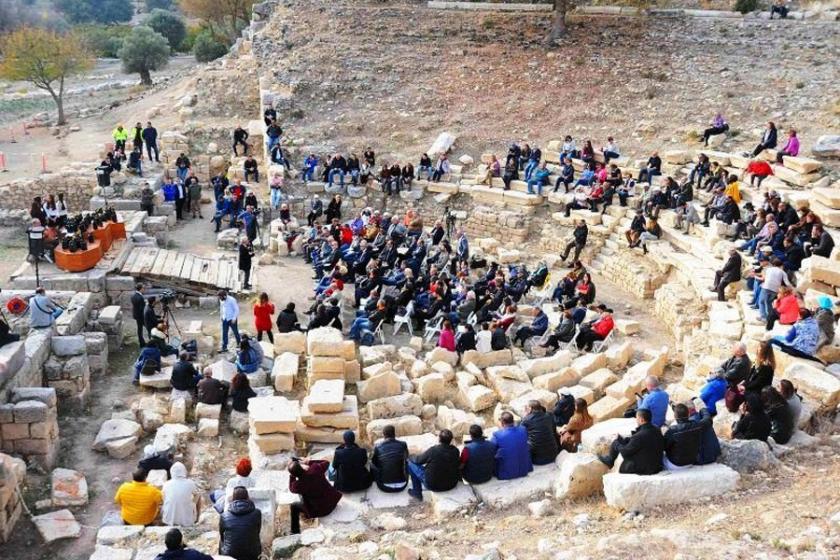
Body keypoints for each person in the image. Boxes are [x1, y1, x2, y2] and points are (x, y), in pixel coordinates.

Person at [598, 408, 664, 475]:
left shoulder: (639, 436)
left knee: (616, 443)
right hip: (656, 466)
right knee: (619, 441)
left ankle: (610, 461)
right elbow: (641, 442)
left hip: (645, 468)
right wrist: (622, 439)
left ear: (642, 420)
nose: (636, 420)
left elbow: (625, 452)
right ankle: (610, 460)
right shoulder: (657, 430)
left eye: (637, 418)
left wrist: (617, 444)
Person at [288, 458, 342, 534]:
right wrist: (309, 461)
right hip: (333, 502)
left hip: (320, 511)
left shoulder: (298, 485)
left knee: (294, 506)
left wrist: (292, 475)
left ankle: (295, 531)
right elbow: (326, 462)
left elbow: (291, 488)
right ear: (302, 466)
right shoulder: (315, 468)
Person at [407, 430, 460, 500]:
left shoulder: (433, 450)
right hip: (451, 484)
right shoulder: (455, 451)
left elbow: (418, 460)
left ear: (439, 439)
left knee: (410, 463)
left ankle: (417, 492)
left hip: (433, 485)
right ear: (451, 440)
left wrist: (410, 456)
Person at [664, 399, 713, 469]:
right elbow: (708, 419)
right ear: (689, 414)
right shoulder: (697, 425)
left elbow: (664, 447)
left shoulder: (672, 430)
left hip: (675, 464)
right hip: (691, 461)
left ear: (675, 417)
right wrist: (702, 408)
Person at [219, 487, 262, 560]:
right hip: (252, 553)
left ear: (233, 498)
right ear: (247, 497)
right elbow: (257, 531)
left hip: (230, 554)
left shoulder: (224, 515)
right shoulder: (257, 513)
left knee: (222, 541)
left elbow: (222, 536)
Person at [490, 411, 533, 479]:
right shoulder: (523, 429)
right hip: (525, 469)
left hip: (507, 473)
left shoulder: (497, 434)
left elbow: (491, 449)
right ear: (513, 420)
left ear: (502, 422)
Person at [370, 424, 409, 492]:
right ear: (394, 434)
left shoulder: (378, 447)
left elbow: (375, 463)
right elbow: (407, 458)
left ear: (384, 435)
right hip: (402, 485)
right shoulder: (403, 444)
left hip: (384, 486)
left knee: (371, 464)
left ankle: (373, 481)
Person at [520, 401, 559, 465]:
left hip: (537, 459)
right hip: (553, 454)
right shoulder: (549, 415)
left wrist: (525, 416)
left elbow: (520, 434)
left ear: (530, 408)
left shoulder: (526, 420)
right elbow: (554, 430)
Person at [162, 462, 196, 526]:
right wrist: (193, 503)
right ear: (184, 471)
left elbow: (164, 498)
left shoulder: (166, 484)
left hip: (169, 519)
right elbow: (195, 494)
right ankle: (196, 517)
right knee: (197, 497)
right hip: (186, 520)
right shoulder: (190, 483)